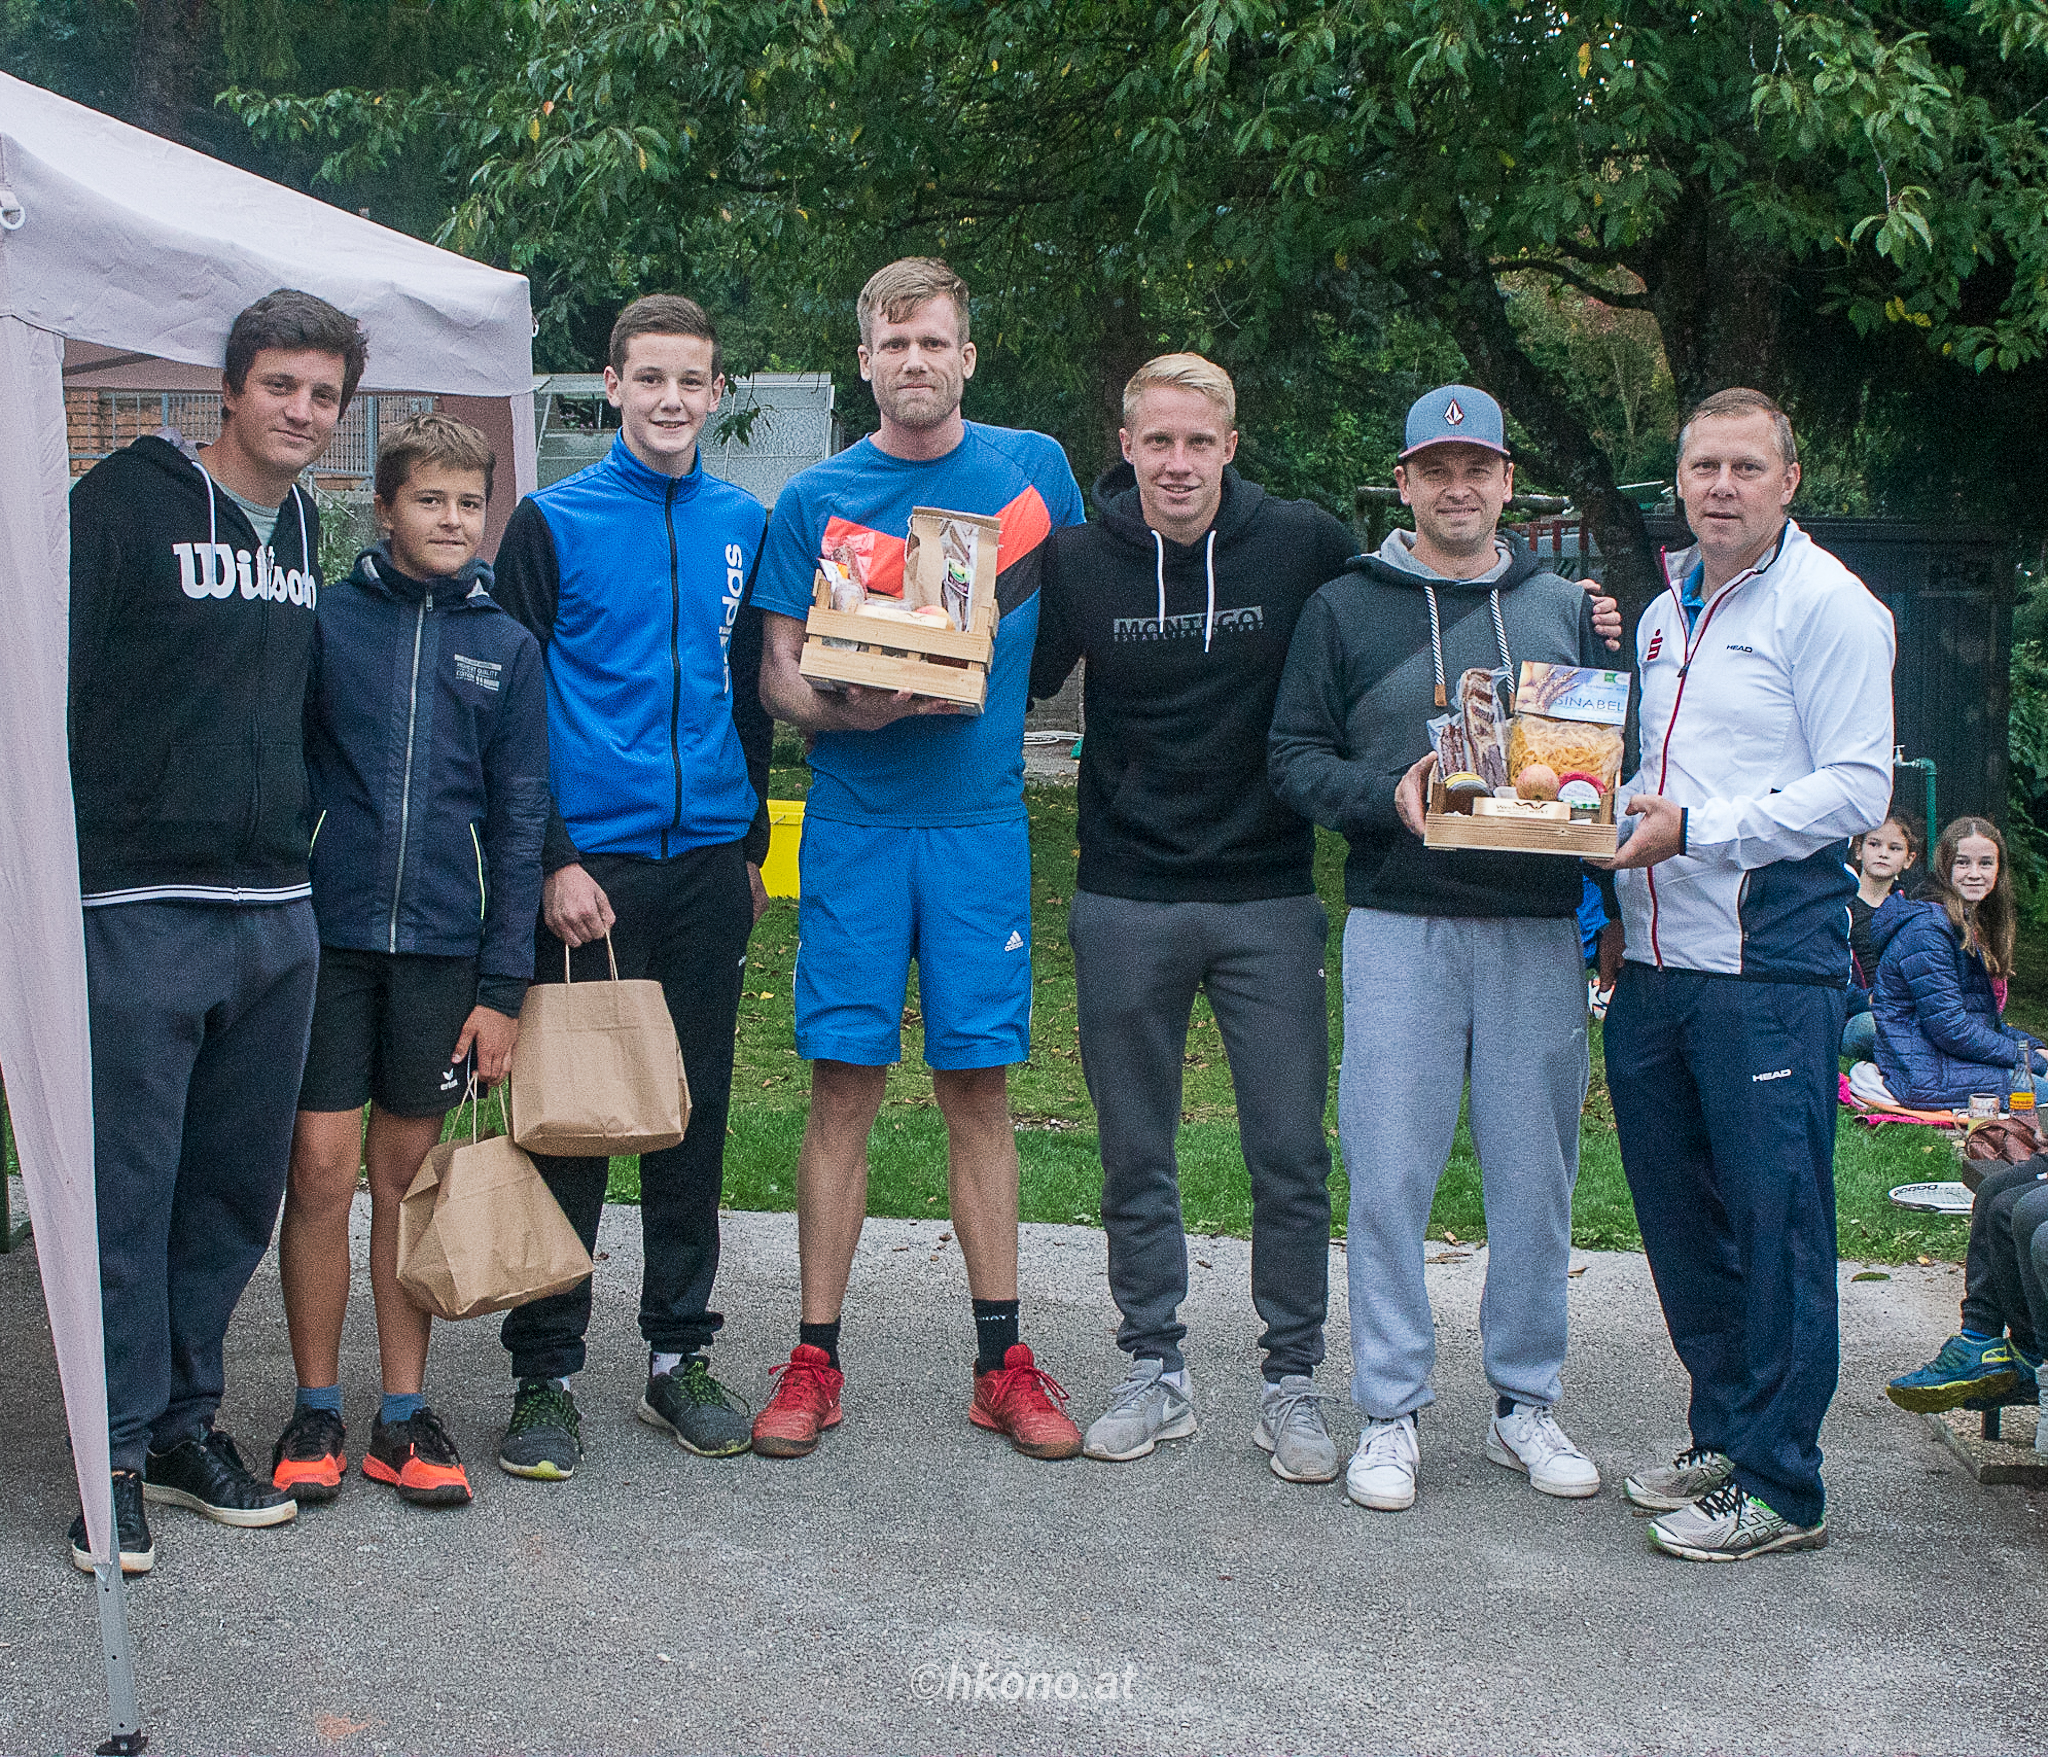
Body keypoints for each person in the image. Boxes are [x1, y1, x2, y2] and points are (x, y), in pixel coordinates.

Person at [1030, 354, 1625, 1481]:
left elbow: (1602, 755)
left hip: (1328, 900)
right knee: (1179, 1155)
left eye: (1198, 441)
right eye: (1157, 441)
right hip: (1166, 890)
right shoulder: (1107, 562)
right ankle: (1195, 1374)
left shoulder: (1344, 558)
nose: (1177, 461)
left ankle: (1347, 1385)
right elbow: (1014, 662)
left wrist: (1600, 626)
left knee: (1332, 1161)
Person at [750, 257, 1087, 1461]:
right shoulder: (816, 496)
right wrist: (863, 705)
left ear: (966, 356)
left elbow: (1094, 603)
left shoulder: (1031, 473)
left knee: (977, 1087)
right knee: (842, 1084)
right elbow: (778, 676)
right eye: (892, 345)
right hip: (852, 824)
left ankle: (1001, 1361)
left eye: (932, 342)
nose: (913, 362)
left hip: (978, 826)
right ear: (863, 361)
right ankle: (813, 1358)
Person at [1269, 383, 1619, 1514]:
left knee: (1535, 1181)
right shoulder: (1342, 607)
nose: (1456, 487)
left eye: (1477, 468)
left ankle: (1525, 1402)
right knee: (1387, 1174)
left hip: (1535, 928)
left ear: (1507, 482)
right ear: (1404, 482)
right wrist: (1386, 795)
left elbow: (1605, 769)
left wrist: (1610, 895)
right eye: (1435, 469)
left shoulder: (1565, 608)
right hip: (1397, 919)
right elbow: (1292, 758)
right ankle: (1389, 1407)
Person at [66, 288, 366, 1575]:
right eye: (280, 385)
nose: (301, 411)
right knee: (127, 1192)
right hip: (139, 901)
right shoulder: (122, 505)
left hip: (272, 908)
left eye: (323, 395)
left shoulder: (301, 525)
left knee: (232, 1192)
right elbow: (52, 682)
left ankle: (184, 1424)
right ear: (229, 387)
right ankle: (110, 1455)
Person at [1601, 387, 1895, 1562]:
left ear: (1787, 480)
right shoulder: (1662, 607)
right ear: (1676, 480)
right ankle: (1726, 1431)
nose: (1719, 486)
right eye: (1701, 466)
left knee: (1777, 1227)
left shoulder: (1829, 604)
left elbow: (1857, 786)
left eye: (1743, 466)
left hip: (1764, 963)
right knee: (1685, 1224)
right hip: (1654, 963)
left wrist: (1698, 830)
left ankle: (1782, 1481)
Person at [486, 294, 773, 1479]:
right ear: (609, 385)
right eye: (648, 377)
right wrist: (551, 855)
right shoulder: (549, 523)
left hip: (705, 861)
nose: (669, 399)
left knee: (689, 1110)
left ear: (716, 393)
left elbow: (747, 695)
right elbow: (510, 710)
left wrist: (750, 843)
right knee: (572, 1117)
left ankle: (677, 1354)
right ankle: (544, 1370)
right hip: (587, 870)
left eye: (690, 380)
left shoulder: (742, 522)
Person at [268, 413, 549, 1510]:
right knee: (317, 1171)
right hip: (328, 942)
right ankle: (314, 1406)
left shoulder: (507, 648)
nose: (451, 519)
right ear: (383, 508)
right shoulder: (328, 623)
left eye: (470, 503)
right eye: (429, 499)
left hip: (442, 956)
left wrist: (502, 990)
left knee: (404, 1178)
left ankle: (400, 1412)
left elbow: (521, 825)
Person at [1841, 815, 1918, 1062]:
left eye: (1894, 848)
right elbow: (1831, 978)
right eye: (1874, 844)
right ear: (1859, 850)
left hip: (1905, 1010)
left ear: (1909, 859)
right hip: (1857, 1016)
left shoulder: (1913, 913)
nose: (1883, 853)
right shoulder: (1839, 908)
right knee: (1871, 1027)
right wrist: (1870, 999)